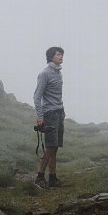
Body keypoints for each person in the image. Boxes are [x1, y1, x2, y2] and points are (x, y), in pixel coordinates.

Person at [33, 47, 65, 188]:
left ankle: (52, 178)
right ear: (51, 56)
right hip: (49, 114)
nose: (61, 56)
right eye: (58, 54)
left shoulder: (58, 73)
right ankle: (40, 178)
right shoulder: (44, 73)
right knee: (50, 147)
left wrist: (62, 110)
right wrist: (40, 116)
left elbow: (56, 95)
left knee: (55, 147)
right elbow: (37, 96)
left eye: (62, 54)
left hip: (59, 112)